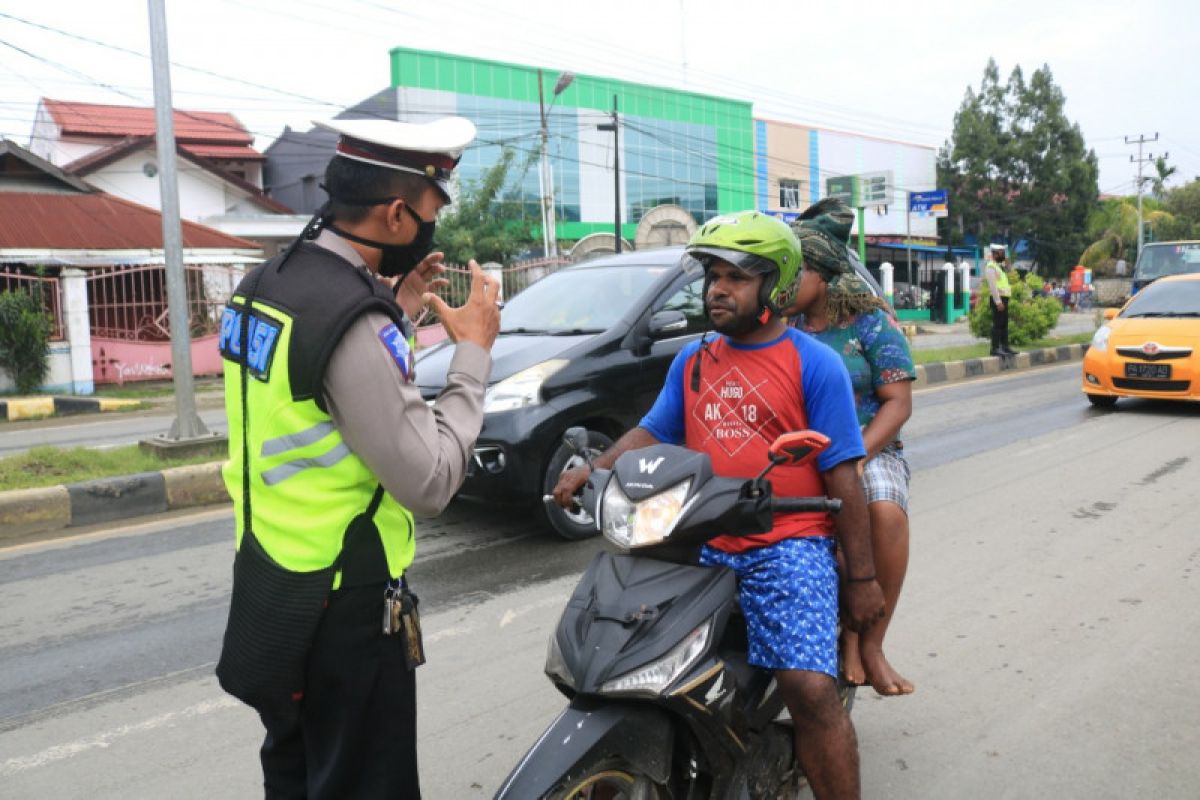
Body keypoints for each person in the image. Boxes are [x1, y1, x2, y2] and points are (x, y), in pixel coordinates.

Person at [553, 211, 885, 799]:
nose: (717, 290)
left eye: (736, 277)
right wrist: (592, 469)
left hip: (788, 544)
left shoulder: (815, 365)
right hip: (698, 540)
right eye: (712, 275)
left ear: (775, 287)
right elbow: (653, 431)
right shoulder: (694, 361)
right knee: (631, 658)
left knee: (809, 690)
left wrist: (861, 579)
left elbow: (845, 477)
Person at [216, 116, 500, 799]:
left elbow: (317, 395)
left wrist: (389, 308)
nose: (435, 224)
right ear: (397, 214)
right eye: (433, 209)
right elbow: (429, 481)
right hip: (344, 601)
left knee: (295, 772)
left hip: (270, 576)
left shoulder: (265, 283)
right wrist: (474, 355)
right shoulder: (353, 320)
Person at [781, 198, 917, 697]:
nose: (784, 285)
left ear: (825, 275)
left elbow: (898, 403)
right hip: (796, 454)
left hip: (870, 450)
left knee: (882, 514)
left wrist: (854, 456)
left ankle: (871, 644)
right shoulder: (780, 329)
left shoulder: (871, 323)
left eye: (794, 273)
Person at [982, 243, 1014, 356]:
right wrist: (998, 302)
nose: (1003, 255)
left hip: (1004, 298)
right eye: (1001, 253)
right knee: (997, 324)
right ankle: (995, 348)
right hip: (998, 299)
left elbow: (1010, 271)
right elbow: (992, 286)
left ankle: (1005, 347)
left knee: (1004, 324)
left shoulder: (999, 266)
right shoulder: (991, 267)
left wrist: (1007, 261)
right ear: (995, 254)